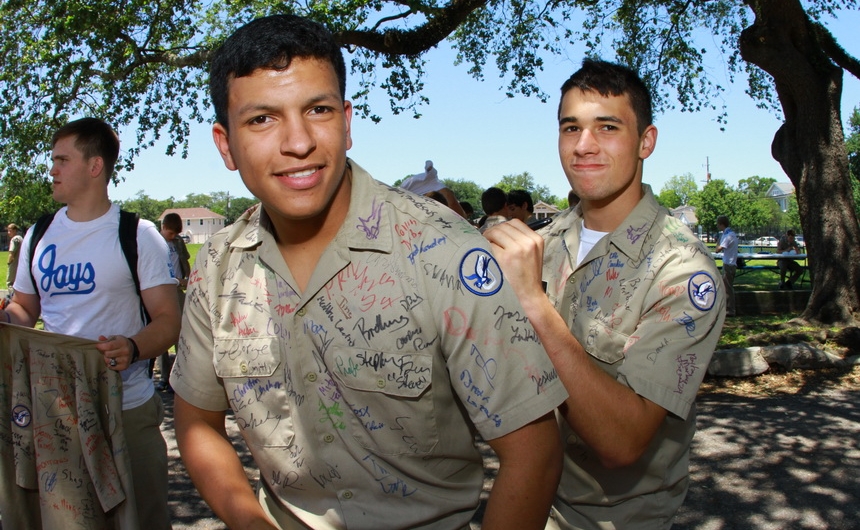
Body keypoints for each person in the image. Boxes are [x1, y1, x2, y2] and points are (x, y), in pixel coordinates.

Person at [171, 14, 566, 530]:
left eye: (318, 110)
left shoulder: (443, 252)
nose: (298, 142)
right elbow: (197, 421)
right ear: (225, 145)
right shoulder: (217, 267)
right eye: (262, 119)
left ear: (347, 122)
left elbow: (534, 452)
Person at [485, 58, 726, 529]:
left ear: (646, 142)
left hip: (611, 518)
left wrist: (533, 303)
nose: (584, 145)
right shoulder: (542, 243)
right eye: (570, 127)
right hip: (527, 495)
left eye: (607, 127)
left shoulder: (681, 270)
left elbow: (622, 442)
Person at [0, 117, 179, 528]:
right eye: (53, 160)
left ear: (95, 166)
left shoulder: (137, 234)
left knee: (142, 519)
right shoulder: (39, 234)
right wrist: (5, 316)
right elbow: (25, 309)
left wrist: (132, 347)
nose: (52, 170)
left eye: (62, 160)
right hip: (54, 412)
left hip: (126, 408)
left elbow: (169, 320)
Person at [152, 212, 191, 392]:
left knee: (180, 333)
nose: (173, 236)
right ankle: (164, 377)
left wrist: (187, 279)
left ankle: (179, 376)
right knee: (162, 334)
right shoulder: (154, 242)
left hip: (178, 289)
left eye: (176, 234)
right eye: (171, 233)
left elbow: (185, 262)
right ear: (164, 227)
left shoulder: (178, 242)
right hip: (160, 292)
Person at [715, 215, 738, 317]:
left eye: (718, 224)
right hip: (731, 263)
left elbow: (718, 249)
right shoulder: (732, 234)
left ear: (721, 224)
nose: (717, 226)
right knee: (728, 287)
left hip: (728, 264)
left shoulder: (728, 236)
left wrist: (718, 240)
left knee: (727, 288)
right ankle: (729, 308)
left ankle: (730, 310)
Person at [5, 223, 22, 298]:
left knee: (10, 283)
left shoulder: (14, 239)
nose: (8, 232)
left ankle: (13, 298)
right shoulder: (21, 238)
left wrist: (9, 262)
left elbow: (11, 253)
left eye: (10, 231)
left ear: (15, 230)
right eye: (8, 231)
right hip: (21, 264)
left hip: (14, 264)